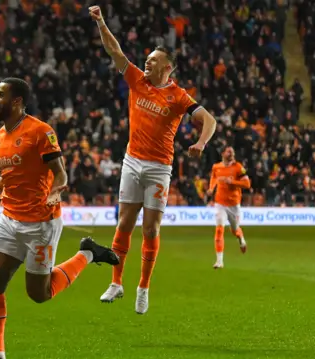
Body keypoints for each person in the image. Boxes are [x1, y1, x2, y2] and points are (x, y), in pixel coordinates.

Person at [0, 77, 120, 359]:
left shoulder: (41, 132)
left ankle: (87, 253)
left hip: (41, 223)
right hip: (9, 218)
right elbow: (10, 179)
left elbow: (61, 172)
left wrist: (56, 190)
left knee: (40, 294)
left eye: (0, 95)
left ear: (16, 101)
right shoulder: (0, 135)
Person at [90, 5, 217, 314]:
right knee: (124, 222)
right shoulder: (137, 80)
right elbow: (115, 51)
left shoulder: (179, 96)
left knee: (150, 229)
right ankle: (116, 282)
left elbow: (209, 120)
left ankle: (143, 288)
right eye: (146, 58)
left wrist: (201, 142)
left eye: (153, 59)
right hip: (132, 161)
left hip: (160, 167)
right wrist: (101, 22)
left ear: (167, 67)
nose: (146, 61)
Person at [207, 146, 250, 269]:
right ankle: (219, 261)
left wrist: (233, 182)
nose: (231, 153)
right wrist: (211, 188)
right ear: (223, 154)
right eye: (229, 152)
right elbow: (214, 177)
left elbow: (247, 184)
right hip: (220, 203)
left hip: (234, 205)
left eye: (233, 152)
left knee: (234, 230)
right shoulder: (216, 167)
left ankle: (241, 238)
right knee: (219, 230)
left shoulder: (238, 167)